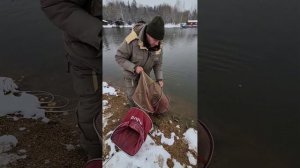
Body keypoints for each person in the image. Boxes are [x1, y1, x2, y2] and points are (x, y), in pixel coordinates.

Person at [40, 0, 102, 162]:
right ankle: (95, 154)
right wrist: (99, 33)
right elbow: (54, 3)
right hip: (87, 53)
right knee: (92, 106)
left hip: (114, 53)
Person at [115, 16, 165, 107]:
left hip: (145, 77)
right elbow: (119, 57)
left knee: (144, 95)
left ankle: (142, 109)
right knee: (132, 97)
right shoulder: (132, 40)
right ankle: (133, 109)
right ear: (148, 34)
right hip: (131, 76)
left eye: (159, 40)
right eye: (155, 40)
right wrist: (134, 68)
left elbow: (158, 64)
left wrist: (159, 79)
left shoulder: (158, 45)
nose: (157, 43)